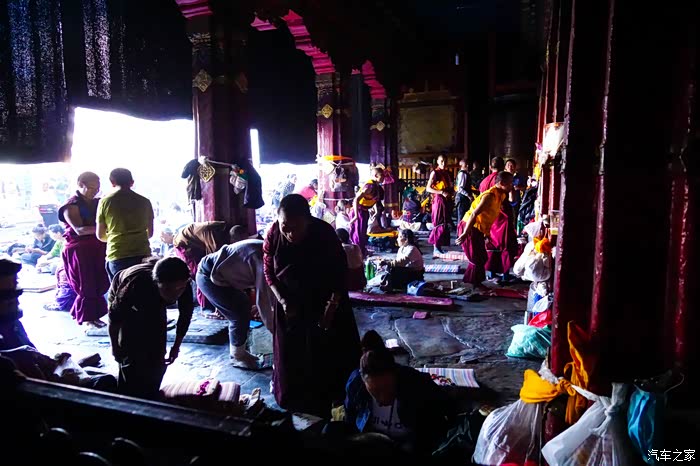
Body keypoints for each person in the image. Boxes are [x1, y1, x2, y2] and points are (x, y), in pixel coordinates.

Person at [263, 194, 361, 416]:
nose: (289, 233)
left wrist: (331, 307)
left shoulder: (324, 233)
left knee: (325, 351)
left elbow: (339, 273)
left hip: (324, 299)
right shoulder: (273, 234)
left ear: (308, 221)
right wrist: (283, 300)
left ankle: (331, 396)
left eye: (295, 228)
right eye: (285, 226)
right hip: (288, 303)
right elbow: (269, 273)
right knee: (291, 354)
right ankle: (294, 397)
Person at [343, 330, 454, 455]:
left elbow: (446, 410)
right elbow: (350, 420)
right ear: (364, 382)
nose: (383, 399)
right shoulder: (355, 384)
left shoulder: (416, 382)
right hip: (373, 447)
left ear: (396, 374)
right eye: (376, 392)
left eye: (387, 388)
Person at [108, 257, 193, 400]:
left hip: (154, 298)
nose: (174, 294)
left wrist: (176, 347)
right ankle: (126, 397)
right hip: (127, 296)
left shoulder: (183, 283)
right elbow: (115, 319)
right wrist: (115, 348)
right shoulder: (134, 285)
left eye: (179, 289)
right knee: (129, 354)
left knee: (157, 353)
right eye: (167, 289)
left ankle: (150, 395)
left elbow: (185, 315)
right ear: (156, 282)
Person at [196, 239, 274, 369]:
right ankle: (237, 356)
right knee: (239, 314)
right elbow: (264, 302)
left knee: (243, 306)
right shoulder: (264, 262)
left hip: (222, 275)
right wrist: (276, 333)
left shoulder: (270, 251)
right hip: (207, 275)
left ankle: (240, 353)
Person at [58, 172, 110, 329]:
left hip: (98, 247)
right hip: (80, 250)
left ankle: (96, 316)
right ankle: (88, 318)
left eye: (97, 188)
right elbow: (79, 230)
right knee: (86, 284)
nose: (95, 191)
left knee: (99, 281)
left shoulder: (98, 203)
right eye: (92, 188)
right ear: (81, 184)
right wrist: (107, 229)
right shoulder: (71, 205)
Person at [456, 171, 513, 287]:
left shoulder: (501, 195)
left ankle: (475, 283)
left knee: (482, 256)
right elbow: (474, 214)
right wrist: (465, 233)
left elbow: (489, 214)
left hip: (479, 228)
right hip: (470, 226)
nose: (511, 186)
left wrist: (486, 233)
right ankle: (472, 284)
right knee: (476, 257)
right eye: (509, 183)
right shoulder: (489, 196)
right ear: (501, 183)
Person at [97, 168, 154, 281]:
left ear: (112, 182)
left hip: (117, 254)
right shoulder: (145, 201)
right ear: (132, 182)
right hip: (142, 253)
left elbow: (100, 235)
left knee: (119, 289)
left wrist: (117, 237)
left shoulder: (105, 202)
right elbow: (150, 233)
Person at [0, 259, 35, 351]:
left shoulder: (14, 323)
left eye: (16, 280)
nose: (17, 303)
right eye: (9, 302)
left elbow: (31, 349)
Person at [350, 167, 385, 256]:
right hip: (358, 211)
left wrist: (376, 211)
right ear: (376, 175)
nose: (384, 177)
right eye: (382, 175)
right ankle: (358, 253)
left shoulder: (377, 187)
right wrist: (356, 216)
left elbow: (375, 200)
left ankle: (362, 251)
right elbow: (356, 199)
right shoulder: (369, 186)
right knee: (358, 233)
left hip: (365, 211)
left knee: (363, 232)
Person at [426, 154, 454, 255]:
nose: (443, 163)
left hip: (446, 200)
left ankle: (440, 246)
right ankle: (435, 247)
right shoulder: (435, 173)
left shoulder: (447, 173)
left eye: (445, 161)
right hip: (438, 200)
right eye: (441, 161)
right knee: (438, 222)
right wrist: (441, 192)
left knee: (444, 222)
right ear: (438, 162)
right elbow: (428, 188)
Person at [454, 159, 474, 226]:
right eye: (465, 165)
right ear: (461, 166)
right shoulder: (462, 174)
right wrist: (468, 195)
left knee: (464, 217)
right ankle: (460, 231)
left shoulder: (465, 174)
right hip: (462, 198)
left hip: (463, 198)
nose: (467, 166)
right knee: (461, 218)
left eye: (467, 164)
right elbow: (460, 188)